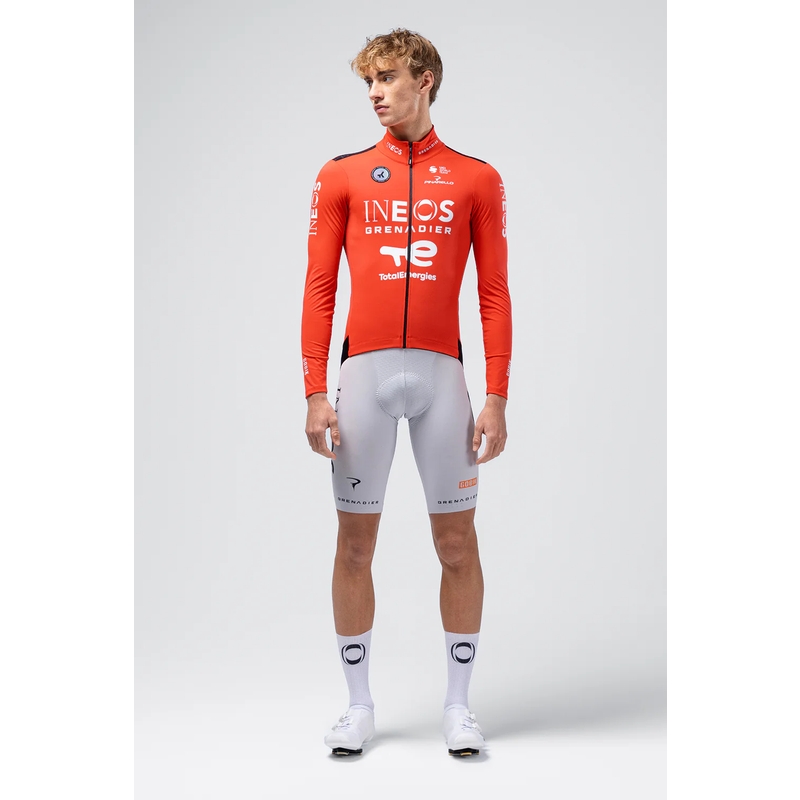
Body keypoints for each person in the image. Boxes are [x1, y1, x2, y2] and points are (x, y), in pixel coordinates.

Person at [301, 28, 512, 757]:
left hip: (442, 378)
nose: (374, 93)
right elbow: (321, 286)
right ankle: (358, 706)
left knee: (456, 543)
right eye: (368, 81)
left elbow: (493, 292)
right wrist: (314, 390)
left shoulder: (477, 178)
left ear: (425, 80)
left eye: (387, 78)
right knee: (355, 545)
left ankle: (459, 706)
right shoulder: (342, 175)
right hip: (361, 376)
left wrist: (496, 394)